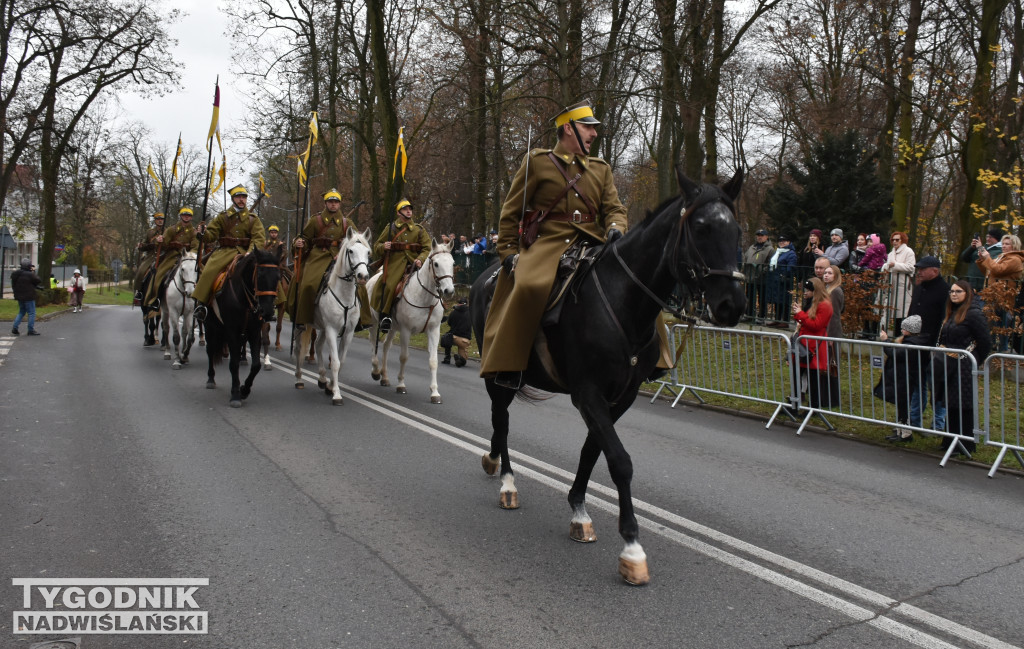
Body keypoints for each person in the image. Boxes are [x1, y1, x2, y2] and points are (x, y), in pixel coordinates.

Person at [481, 100, 633, 389]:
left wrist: (615, 228)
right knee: (528, 287)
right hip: (548, 243)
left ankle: (652, 360)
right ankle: (509, 364)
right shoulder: (538, 163)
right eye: (588, 127)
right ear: (568, 128)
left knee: (632, 280)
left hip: (592, 241)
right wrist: (509, 254)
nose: (594, 133)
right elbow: (511, 214)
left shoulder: (600, 169)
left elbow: (614, 208)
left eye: (593, 128)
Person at [889, 255, 949, 432]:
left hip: (932, 347)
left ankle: (939, 424)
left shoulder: (944, 290)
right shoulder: (919, 287)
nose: (919, 272)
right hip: (915, 344)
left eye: (923, 269)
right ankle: (915, 420)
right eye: (918, 268)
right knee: (917, 384)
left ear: (935, 271)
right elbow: (912, 313)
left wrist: (938, 346)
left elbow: (944, 320)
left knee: (936, 387)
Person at [192, 185, 267, 322]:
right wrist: (203, 232)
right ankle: (201, 304)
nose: (241, 200)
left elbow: (258, 238)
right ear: (233, 199)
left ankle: (266, 307)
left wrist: (250, 252)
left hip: (246, 253)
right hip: (224, 252)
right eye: (238, 197)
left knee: (265, 273)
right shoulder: (223, 217)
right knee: (209, 271)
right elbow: (211, 236)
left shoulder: (253, 219)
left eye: (243, 197)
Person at [287, 189, 358, 329]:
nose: (333, 204)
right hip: (318, 256)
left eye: (336, 202)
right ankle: (303, 318)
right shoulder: (315, 220)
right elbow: (305, 238)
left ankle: (360, 320)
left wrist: (343, 252)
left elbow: (356, 241)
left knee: (358, 285)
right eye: (331, 201)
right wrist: (299, 243)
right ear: (325, 203)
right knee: (308, 284)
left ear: (340, 204)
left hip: (340, 258)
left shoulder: (347, 222)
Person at [934, 280, 991, 455]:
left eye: (958, 291)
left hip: (965, 364)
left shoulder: (973, 314)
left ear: (967, 294)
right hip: (949, 363)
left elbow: (985, 341)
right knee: (950, 403)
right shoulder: (952, 313)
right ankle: (949, 440)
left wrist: (975, 360)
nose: (954, 294)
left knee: (964, 404)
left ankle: (964, 444)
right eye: (951, 291)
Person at [370, 198, 431, 334]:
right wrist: (383, 246)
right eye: (405, 209)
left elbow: (427, 248)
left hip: (414, 263)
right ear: (399, 213)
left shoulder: (419, 230)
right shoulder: (391, 228)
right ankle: (385, 316)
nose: (408, 211)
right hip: (395, 263)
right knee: (389, 285)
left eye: (410, 209)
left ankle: (436, 311)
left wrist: (420, 259)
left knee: (434, 281)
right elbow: (377, 246)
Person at [873, 315, 929, 443]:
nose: (902, 330)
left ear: (908, 330)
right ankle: (900, 430)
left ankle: (906, 433)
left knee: (903, 404)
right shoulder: (913, 341)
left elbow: (894, 353)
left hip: (906, 378)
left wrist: (885, 341)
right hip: (904, 377)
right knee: (901, 404)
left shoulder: (911, 344)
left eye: (904, 328)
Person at [143, 206, 199, 315]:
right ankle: (155, 299)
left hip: (188, 258)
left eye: (188, 216)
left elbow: (195, 246)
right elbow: (164, 245)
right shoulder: (171, 230)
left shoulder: (193, 232)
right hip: (172, 257)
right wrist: (160, 241)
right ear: (181, 216)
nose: (186, 217)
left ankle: (201, 302)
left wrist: (190, 255)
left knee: (201, 272)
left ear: (191, 218)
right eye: (184, 215)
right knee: (158, 275)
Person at [792, 277, 833, 407]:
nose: (805, 292)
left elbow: (816, 325)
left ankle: (814, 407)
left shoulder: (825, 305)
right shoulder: (812, 303)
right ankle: (794, 404)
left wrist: (800, 314)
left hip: (813, 347)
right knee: (796, 375)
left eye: (807, 290)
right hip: (805, 344)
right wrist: (799, 314)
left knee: (813, 379)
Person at [880, 230, 916, 334]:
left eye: (897, 240)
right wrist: (887, 266)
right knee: (893, 311)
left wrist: (895, 265)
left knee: (903, 311)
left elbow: (911, 267)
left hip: (903, 285)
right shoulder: (891, 253)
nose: (895, 242)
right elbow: (888, 266)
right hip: (892, 284)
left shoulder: (909, 251)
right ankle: (894, 334)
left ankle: (902, 335)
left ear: (902, 240)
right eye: (893, 240)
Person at [133, 212, 165, 309]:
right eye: (158, 219)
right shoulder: (150, 232)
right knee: (141, 270)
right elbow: (145, 245)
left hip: (165, 256)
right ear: (155, 221)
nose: (160, 221)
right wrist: (141, 246)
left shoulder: (168, 231)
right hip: (152, 256)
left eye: (162, 219)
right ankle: (139, 291)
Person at [743, 228, 774, 320]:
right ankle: (749, 315)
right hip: (750, 276)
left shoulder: (770, 249)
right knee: (749, 297)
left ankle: (761, 316)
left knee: (762, 298)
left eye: (762, 236)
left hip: (762, 278)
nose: (759, 237)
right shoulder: (751, 247)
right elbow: (745, 258)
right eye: (758, 235)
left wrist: (763, 271)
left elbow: (771, 263)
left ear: (766, 237)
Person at [766, 234, 797, 325]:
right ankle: (777, 319)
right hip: (775, 280)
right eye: (780, 241)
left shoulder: (791, 253)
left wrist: (785, 274)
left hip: (784, 280)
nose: (782, 243)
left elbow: (791, 266)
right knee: (777, 300)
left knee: (785, 301)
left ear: (789, 242)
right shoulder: (778, 252)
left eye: (784, 241)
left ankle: (785, 321)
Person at [960, 227, 1004, 291]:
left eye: (990, 237)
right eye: (987, 236)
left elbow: (989, 261)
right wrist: (972, 248)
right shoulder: (982, 247)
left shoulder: (1000, 251)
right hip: (970, 283)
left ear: (997, 238)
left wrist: (980, 248)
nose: (988, 239)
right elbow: (964, 258)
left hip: (983, 285)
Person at [10, 257, 42, 335]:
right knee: (31, 313)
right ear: (28, 266)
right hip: (29, 296)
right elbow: (38, 280)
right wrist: (33, 271)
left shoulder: (15, 274)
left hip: (19, 296)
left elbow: (13, 284)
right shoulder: (30, 274)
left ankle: (15, 327)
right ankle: (30, 329)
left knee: (21, 312)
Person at [441, 297, 472, 367]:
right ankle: (460, 357)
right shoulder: (470, 312)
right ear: (466, 304)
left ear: (458, 303)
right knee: (463, 362)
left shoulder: (453, 312)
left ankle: (447, 358)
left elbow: (449, 323)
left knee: (447, 338)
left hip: (453, 338)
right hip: (464, 340)